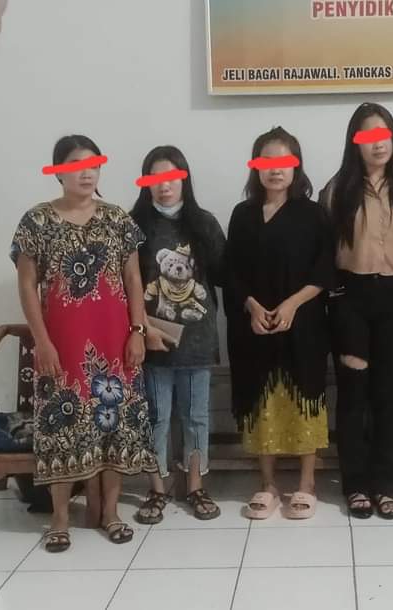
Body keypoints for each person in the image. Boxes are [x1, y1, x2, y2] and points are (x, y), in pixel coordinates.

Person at [10, 134, 157, 552]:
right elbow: (27, 285)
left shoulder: (117, 220)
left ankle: (110, 513)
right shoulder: (37, 221)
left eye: (93, 165)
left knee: (115, 427)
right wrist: (42, 342)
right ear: (59, 171)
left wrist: (138, 331)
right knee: (61, 427)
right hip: (62, 345)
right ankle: (59, 519)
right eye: (76, 166)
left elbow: (133, 279)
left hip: (115, 343)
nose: (87, 173)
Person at [224, 127, 334, 520]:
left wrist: (292, 304)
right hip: (254, 327)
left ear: (296, 166)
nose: (275, 169)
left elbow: (325, 268)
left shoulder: (313, 214)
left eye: (284, 161)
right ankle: (268, 484)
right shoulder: (242, 215)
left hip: (303, 326)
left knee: (305, 399)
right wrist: (252, 307)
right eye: (267, 161)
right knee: (262, 402)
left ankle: (306, 483)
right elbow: (231, 271)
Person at [320, 102, 393, 520]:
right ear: (354, 143)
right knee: (353, 394)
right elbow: (323, 249)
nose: (378, 144)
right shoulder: (337, 189)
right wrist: (335, 296)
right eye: (368, 136)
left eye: (384, 135)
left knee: (385, 395)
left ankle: (385, 485)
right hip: (351, 298)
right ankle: (356, 484)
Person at [132, 145, 225, 524]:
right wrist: (142, 329)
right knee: (156, 417)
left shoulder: (204, 223)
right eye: (156, 178)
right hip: (152, 340)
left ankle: (195, 486)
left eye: (171, 176)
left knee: (196, 417)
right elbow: (126, 287)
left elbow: (224, 274)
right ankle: (157, 489)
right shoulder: (134, 226)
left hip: (197, 341)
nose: (164, 185)